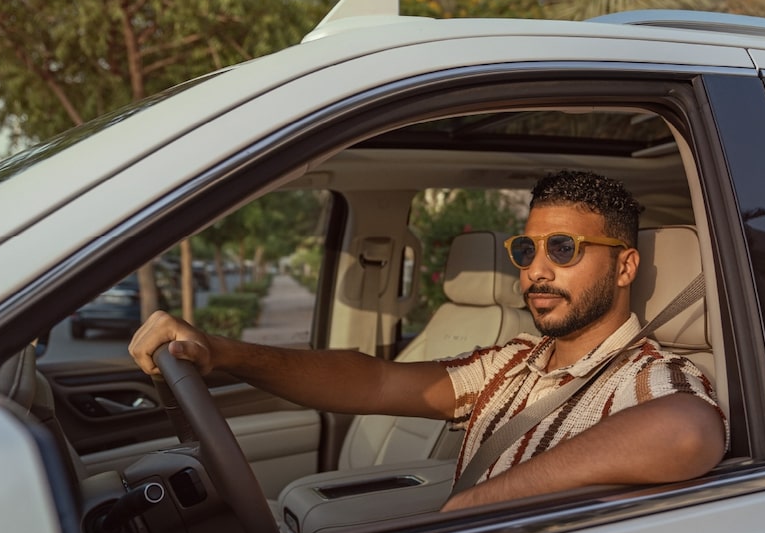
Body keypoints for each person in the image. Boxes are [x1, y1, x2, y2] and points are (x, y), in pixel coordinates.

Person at [130, 171, 727, 512]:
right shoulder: (513, 361)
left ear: (625, 268)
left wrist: (474, 506)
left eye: (564, 249)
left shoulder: (647, 374)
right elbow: (377, 380)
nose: (536, 271)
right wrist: (223, 352)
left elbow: (686, 431)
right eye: (526, 250)